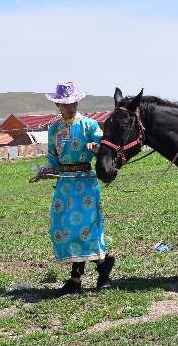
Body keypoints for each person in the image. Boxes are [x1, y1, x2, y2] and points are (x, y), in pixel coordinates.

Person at [31, 81, 115, 295]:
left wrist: (95, 147)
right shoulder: (54, 129)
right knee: (65, 230)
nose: (71, 107)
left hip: (85, 184)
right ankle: (102, 264)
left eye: (73, 102)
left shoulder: (89, 125)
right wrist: (46, 171)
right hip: (65, 186)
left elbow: (104, 151)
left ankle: (77, 278)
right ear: (58, 105)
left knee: (85, 229)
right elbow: (53, 158)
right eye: (66, 103)